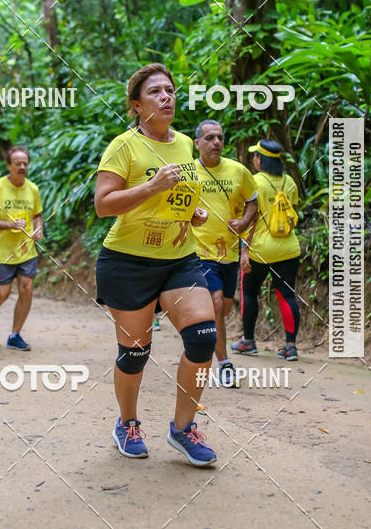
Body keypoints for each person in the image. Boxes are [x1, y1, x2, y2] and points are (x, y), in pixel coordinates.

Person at [94, 62, 218, 467]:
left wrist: (192, 211)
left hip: (178, 259)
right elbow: (103, 204)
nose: (167, 97)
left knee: (203, 337)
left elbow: (178, 196)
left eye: (170, 90)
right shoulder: (123, 146)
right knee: (135, 353)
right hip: (128, 262)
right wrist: (150, 186)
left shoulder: (185, 144)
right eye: (155, 92)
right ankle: (127, 423)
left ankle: (183, 429)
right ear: (136, 105)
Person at [193, 119, 258, 387]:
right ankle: (224, 364)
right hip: (200, 253)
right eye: (209, 138)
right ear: (197, 143)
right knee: (217, 303)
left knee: (225, 309)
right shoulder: (188, 173)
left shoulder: (239, 171)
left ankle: (207, 340)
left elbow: (252, 202)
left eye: (219, 137)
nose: (216, 142)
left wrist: (243, 223)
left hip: (230, 255)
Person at [231, 139, 301, 361]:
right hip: (289, 248)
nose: (254, 159)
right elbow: (292, 211)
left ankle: (248, 342)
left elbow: (249, 220)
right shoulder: (289, 181)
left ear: (260, 160)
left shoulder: (254, 182)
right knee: (287, 295)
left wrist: (244, 251)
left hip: (260, 250)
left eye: (255, 156)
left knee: (250, 293)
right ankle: (290, 346)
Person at [0, 146, 43, 351]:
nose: (22, 167)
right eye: (18, 164)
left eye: (25, 163)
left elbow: (36, 215)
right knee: (2, 294)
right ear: (9, 165)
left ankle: (15, 335)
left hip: (26, 251)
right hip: (2, 252)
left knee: (27, 288)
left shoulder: (32, 189)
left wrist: (39, 229)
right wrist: (9, 225)